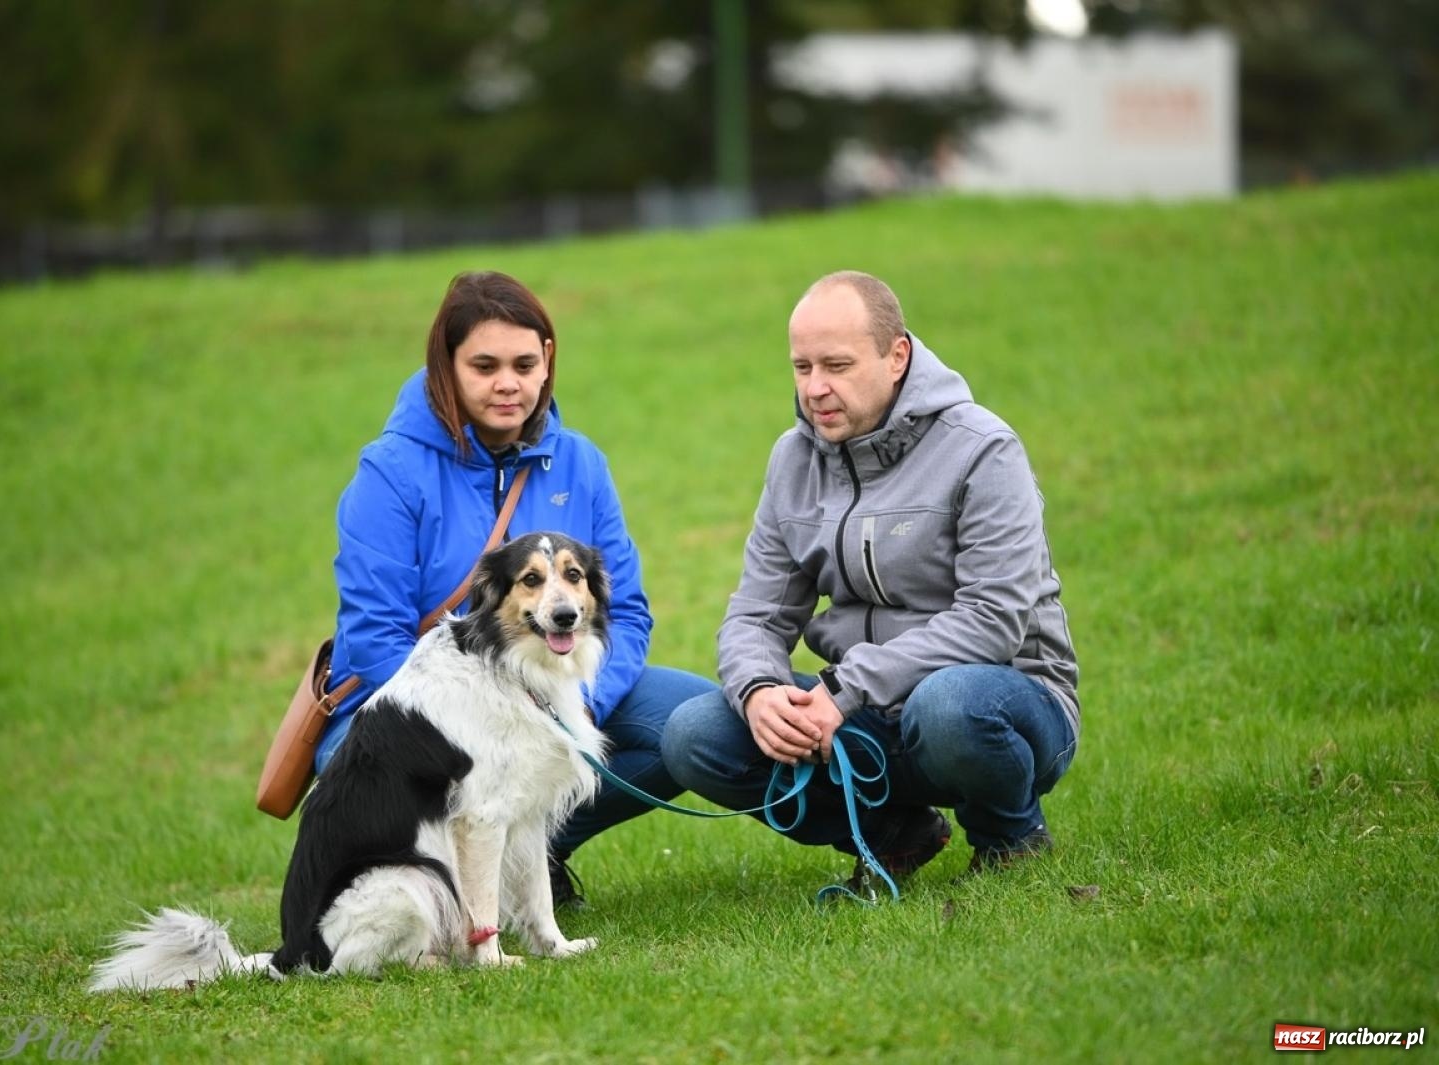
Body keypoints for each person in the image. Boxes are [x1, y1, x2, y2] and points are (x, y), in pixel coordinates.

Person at [661, 270, 1078, 889]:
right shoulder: (792, 460)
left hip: (1003, 700)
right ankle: (893, 834)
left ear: (896, 355)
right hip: (860, 712)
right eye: (802, 368)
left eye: (836, 365)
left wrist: (844, 688)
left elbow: (993, 621)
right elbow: (756, 614)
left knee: (947, 706)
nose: (816, 389)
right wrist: (761, 693)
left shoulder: (983, 449)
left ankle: (1010, 837)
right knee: (694, 735)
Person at [314, 270, 716, 906]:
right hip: (409, 716)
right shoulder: (388, 472)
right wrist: (500, 716)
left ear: (548, 360)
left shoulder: (581, 462)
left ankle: (529, 858)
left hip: (555, 685)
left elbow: (627, 612)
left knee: (699, 724)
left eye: (526, 363)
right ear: (445, 366)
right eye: (485, 365)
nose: (509, 383)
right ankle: (450, 878)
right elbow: (372, 642)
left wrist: (573, 705)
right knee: (468, 764)